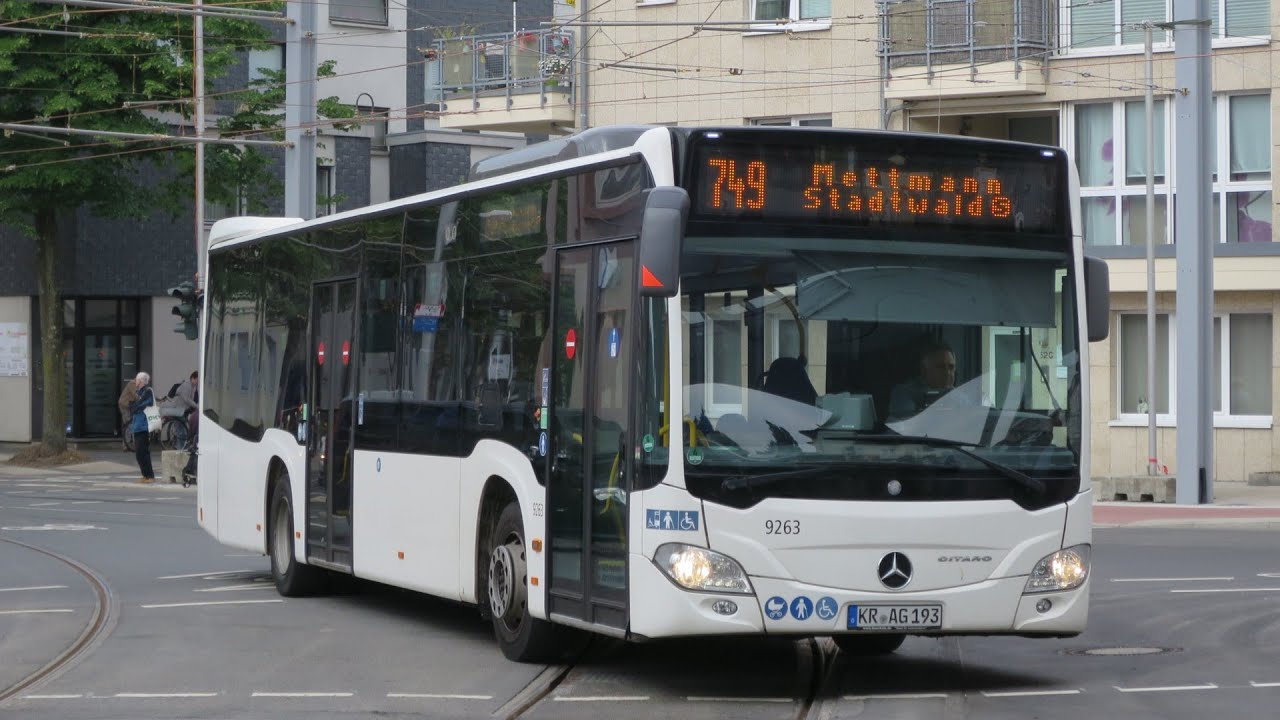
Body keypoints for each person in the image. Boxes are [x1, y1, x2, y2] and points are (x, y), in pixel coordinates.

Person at [887, 338, 956, 420]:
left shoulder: (959, 395)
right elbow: (908, 424)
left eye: (951, 367)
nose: (947, 372)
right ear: (924, 370)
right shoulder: (904, 392)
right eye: (941, 367)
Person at [128, 371, 157, 484]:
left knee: (143, 452)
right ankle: (145, 475)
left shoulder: (147, 391)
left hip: (144, 426)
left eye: (136, 380)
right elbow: (134, 407)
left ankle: (150, 475)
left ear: (141, 381)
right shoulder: (138, 392)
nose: (135, 381)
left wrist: (136, 406)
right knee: (139, 453)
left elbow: (146, 403)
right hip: (137, 425)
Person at [117, 379, 138, 451]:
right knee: (128, 424)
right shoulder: (132, 383)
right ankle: (126, 445)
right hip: (124, 405)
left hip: (129, 405)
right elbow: (136, 395)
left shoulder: (138, 385)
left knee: (129, 424)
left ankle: (127, 445)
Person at [176, 370, 199, 437]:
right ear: (193, 378)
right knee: (182, 430)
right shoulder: (187, 385)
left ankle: (181, 444)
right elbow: (187, 399)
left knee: (183, 427)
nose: (198, 382)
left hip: (182, 409)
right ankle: (180, 446)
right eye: (197, 380)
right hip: (179, 409)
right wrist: (196, 406)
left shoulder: (192, 386)